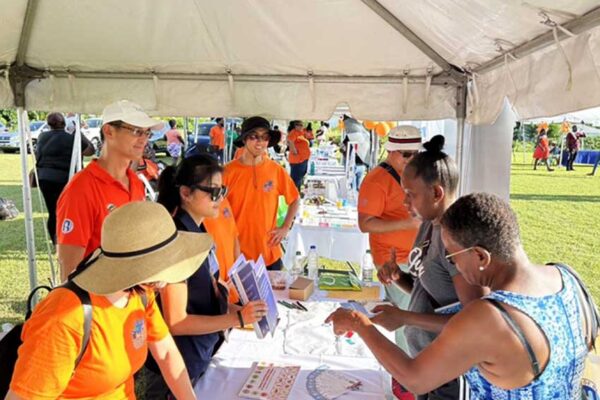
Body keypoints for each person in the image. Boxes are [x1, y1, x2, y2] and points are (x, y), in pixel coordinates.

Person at [326, 192, 591, 400]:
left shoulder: (491, 317)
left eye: (452, 256)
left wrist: (358, 323)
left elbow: (415, 378)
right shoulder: (567, 277)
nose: (456, 267)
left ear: (480, 256)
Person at [7, 201, 211, 400]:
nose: (165, 284)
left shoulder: (140, 293)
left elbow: (166, 352)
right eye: (161, 269)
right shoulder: (64, 318)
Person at [371, 135, 485, 399]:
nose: (405, 203)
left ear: (436, 193)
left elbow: (475, 323)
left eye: (410, 195)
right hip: (426, 364)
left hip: (450, 374)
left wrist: (404, 318)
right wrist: (399, 277)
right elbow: (431, 292)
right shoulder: (429, 223)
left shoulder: (457, 241)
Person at [144, 155, 267, 398]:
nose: (219, 199)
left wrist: (240, 312)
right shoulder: (178, 241)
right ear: (186, 193)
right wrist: (238, 318)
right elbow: (176, 322)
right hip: (176, 368)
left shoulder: (198, 231)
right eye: (212, 192)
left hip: (197, 355)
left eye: (223, 190)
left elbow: (206, 299)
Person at [56, 100, 162, 281]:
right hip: (100, 303)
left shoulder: (135, 182)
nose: (144, 139)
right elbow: (70, 271)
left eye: (147, 132)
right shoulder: (81, 189)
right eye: (137, 131)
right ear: (109, 131)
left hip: (132, 298)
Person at [357, 125, 422, 352]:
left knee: (416, 314)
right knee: (408, 318)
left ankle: (412, 368)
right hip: (392, 260)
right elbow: (365, 224)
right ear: (391, 151)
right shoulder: (376, 181)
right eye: (406, 154)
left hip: (415, 257)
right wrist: (409, 223)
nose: (412, 158)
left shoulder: (413, 175)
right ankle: (407, 375)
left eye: (416, 153)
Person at [225, 116, 300, 270]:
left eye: (264, 137)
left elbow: (294, 198)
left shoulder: (276, 170)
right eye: (254, 136)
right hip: (235, 255)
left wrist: (285, 226)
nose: (260, 142)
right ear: (245, 139)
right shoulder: (227, 172)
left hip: (269, 252)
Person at [35, 112, 94, 244]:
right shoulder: (70, 139)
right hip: (65, 179)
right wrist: (78, 133)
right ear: (64, 123)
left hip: (45, 179)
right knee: (69, 212)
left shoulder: (41, 137)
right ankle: (68, 240)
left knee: (53, 212)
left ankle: (56, 243)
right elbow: (90, 150)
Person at [203, 197, 242, 303]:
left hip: (232, 286)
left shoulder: (224, 200)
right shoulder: (200, 208)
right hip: (215, 290)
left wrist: (238, 271)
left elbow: (234, 236)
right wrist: (218, 282)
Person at [287, 120, 311, 190]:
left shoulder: (299, 133)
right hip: (298, 161)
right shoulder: (293, 132)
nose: (300, 126)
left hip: (302, 160)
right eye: (298, 124)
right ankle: (294, 198)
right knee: (296, 182)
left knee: (298, 180)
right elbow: (290, 141)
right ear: (294, 126)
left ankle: (297, 197)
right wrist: (295, 153)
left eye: (301, 124)